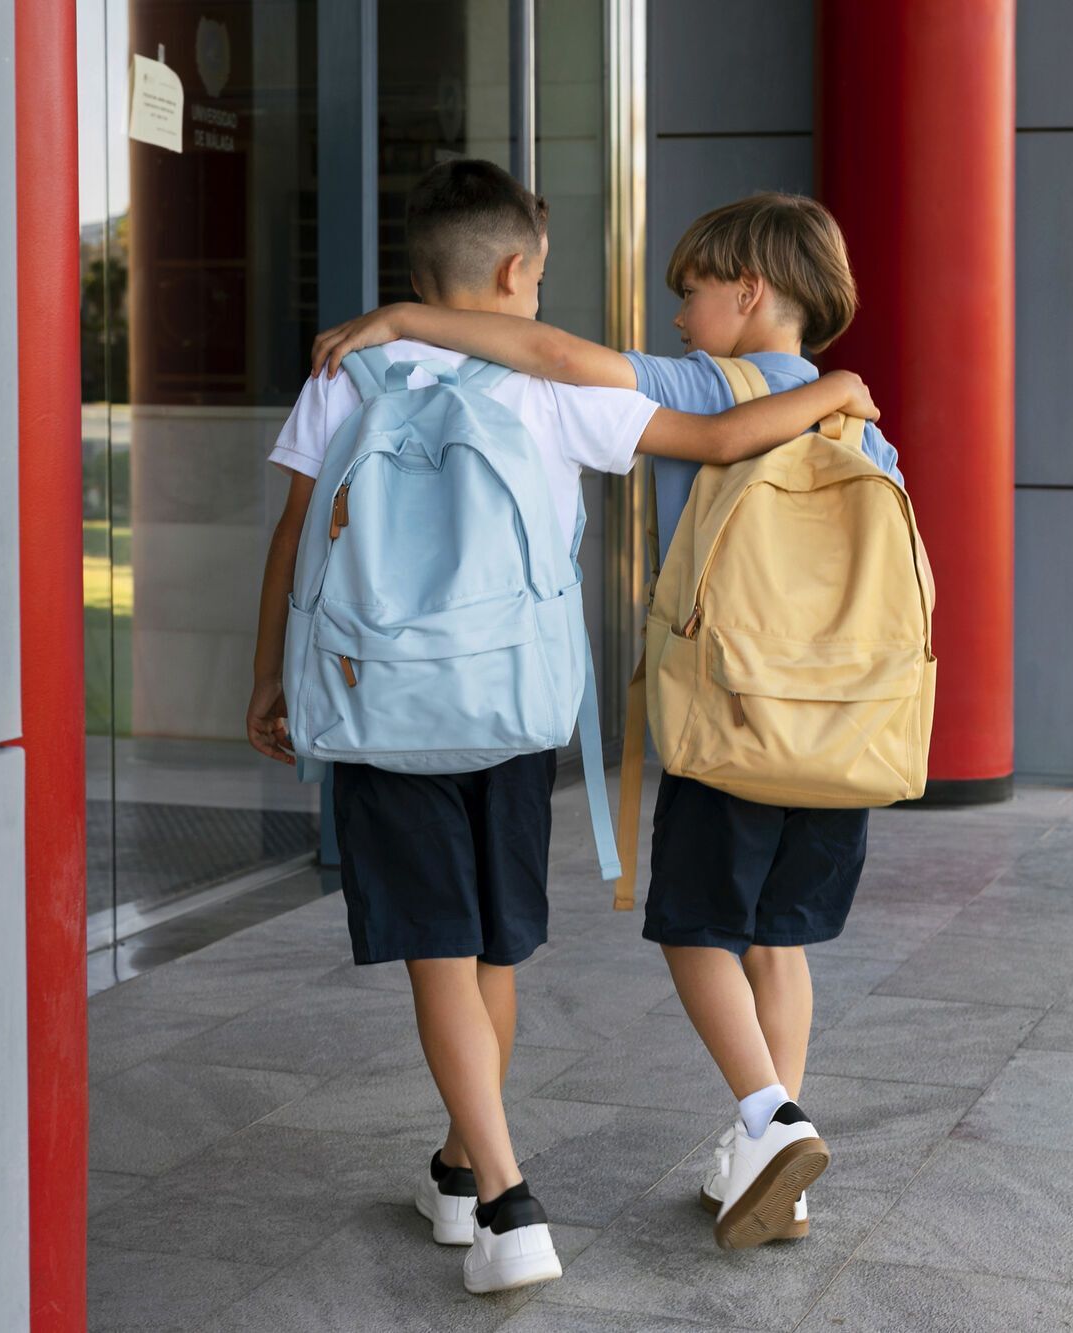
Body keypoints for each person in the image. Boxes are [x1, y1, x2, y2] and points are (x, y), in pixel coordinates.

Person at [247, 164, 879, 1292]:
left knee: (434, 944)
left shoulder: (346, 371)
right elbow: (721, 440)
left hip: (378, 698)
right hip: (510, 704)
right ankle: (485, 1182)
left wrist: (269, 678)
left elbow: (294, 535)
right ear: (514, 271)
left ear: (415, 274)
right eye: (539, 276)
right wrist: (838, 389)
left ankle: (488, 1188)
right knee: (491, 945)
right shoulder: (553, 393)